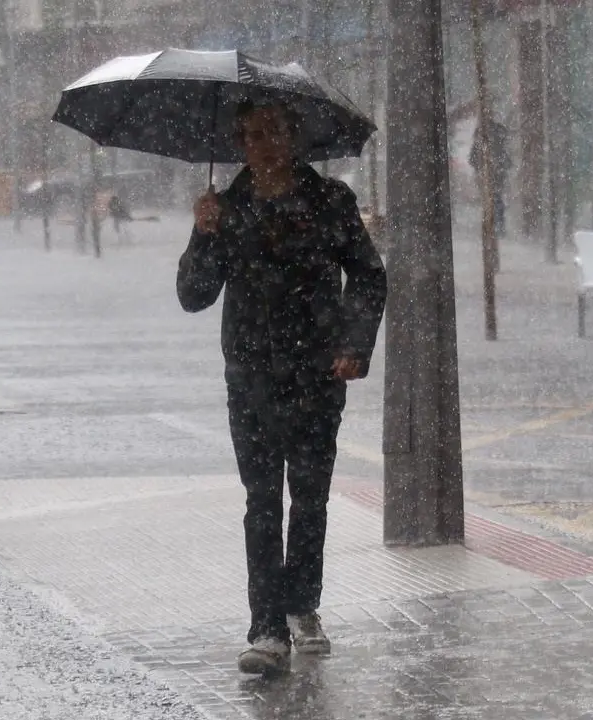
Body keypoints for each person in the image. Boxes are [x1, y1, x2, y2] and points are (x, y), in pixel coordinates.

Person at [176, 100, 387, 675]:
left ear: (295, 138)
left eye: (271, 132)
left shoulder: (330, 201)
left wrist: (354, 344)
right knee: (262, 500)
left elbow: (367, 273)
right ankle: (266, 627)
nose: (260, 144)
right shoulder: (227, 207)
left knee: (311, 496)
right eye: (249, 135)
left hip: (318, 371)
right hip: (251, 375)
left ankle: (302, 604)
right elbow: (194, 296)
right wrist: (203, 235)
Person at [469, 118, 511, 238]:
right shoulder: (498, 139)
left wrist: (480, 167)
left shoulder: (482, 137)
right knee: (496, 199)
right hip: (496, 174)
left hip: (488, 174)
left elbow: (472, 159)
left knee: (491, 200)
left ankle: (494, 226)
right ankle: (498, 226)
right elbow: (506, 159)